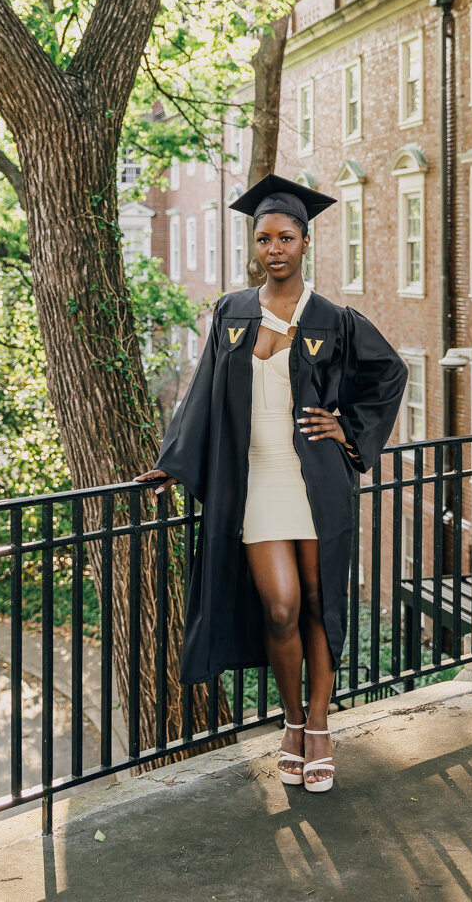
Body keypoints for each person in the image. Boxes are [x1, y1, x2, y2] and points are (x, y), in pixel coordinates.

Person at [136, 173, 407, 792]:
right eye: (264, 239)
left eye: (286, 237)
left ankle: (316, 727)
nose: (274, 248)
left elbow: (389, 374)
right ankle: (290, 717)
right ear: (254, 245)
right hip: (255, 482)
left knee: (316, 604)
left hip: (314, 481)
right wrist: (173, 462)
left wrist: (350, 432)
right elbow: (202, 392)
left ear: (305, 242)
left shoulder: (333, 319)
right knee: (280, 609)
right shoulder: (232, 313)